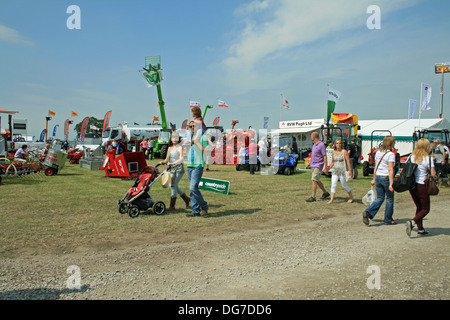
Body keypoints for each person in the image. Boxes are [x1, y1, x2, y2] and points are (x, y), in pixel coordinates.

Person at [362, 136, 397, 226]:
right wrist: (391, 183)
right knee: (389, 199)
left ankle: (368, 211)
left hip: (378, 177)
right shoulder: (391, 155)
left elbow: (376, 167)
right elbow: (390, 169)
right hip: (386, 177)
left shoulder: (378, 153)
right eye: (394, 142)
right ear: (391, 143)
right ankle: (388, 219)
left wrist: (374, 179)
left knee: (380, 198)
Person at [406, 138, 437, 236]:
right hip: (422, 185)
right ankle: (413, 222)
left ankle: (420, 228)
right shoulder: (428, 158)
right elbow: (433, 174)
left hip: (412, 185)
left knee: (419, 206)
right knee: (425, 208)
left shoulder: (411, 156)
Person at [158, 133, 190, 211]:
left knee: (173, 185)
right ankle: (186, 199)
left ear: (178, 139)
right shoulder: (169, 148)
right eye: (173, 138)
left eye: (176, 138)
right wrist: (163, 162)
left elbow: (181, 158)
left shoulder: (180, 148)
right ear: (171, 139)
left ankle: (172, 206)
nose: (174, 139)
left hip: (179, 168)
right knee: (175, 185)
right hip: (172, 169)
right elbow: (166, 159)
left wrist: (172, 163)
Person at [186, 119, 209, 217]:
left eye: (193, 126)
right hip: (189, 165)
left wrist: (197, 143)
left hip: (198, 165)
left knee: (193, 187)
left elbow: (207, 151)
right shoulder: (189, 137)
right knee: (192, 190)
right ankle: (195, 211)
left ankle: (204, 206)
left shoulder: (203, 137)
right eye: (190, 126)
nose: (191, 128)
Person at [306, 132, 330, 202]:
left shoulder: (321, 145)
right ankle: (325, 192)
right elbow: (313, 155)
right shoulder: (314, 145)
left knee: (314, 180)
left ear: (313, 136)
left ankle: (313, 196)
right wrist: (309, 163)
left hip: (318, 165)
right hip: (313, 164)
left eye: (311, 136)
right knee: (317, 180)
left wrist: (325, 167)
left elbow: (324, 156)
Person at [328, 139, 353, 204]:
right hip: (335, 170)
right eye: (337, 143)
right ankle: (331, 199)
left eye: (339, 143)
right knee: (333, 184)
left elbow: (347, 161)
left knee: (344, 185)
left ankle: (351, 197)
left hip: (342, 170)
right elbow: (333, 161)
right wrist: (330, 166)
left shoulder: (344, 151)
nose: (338, 145)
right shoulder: (333, 152)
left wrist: (350, 170)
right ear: (335, 145)